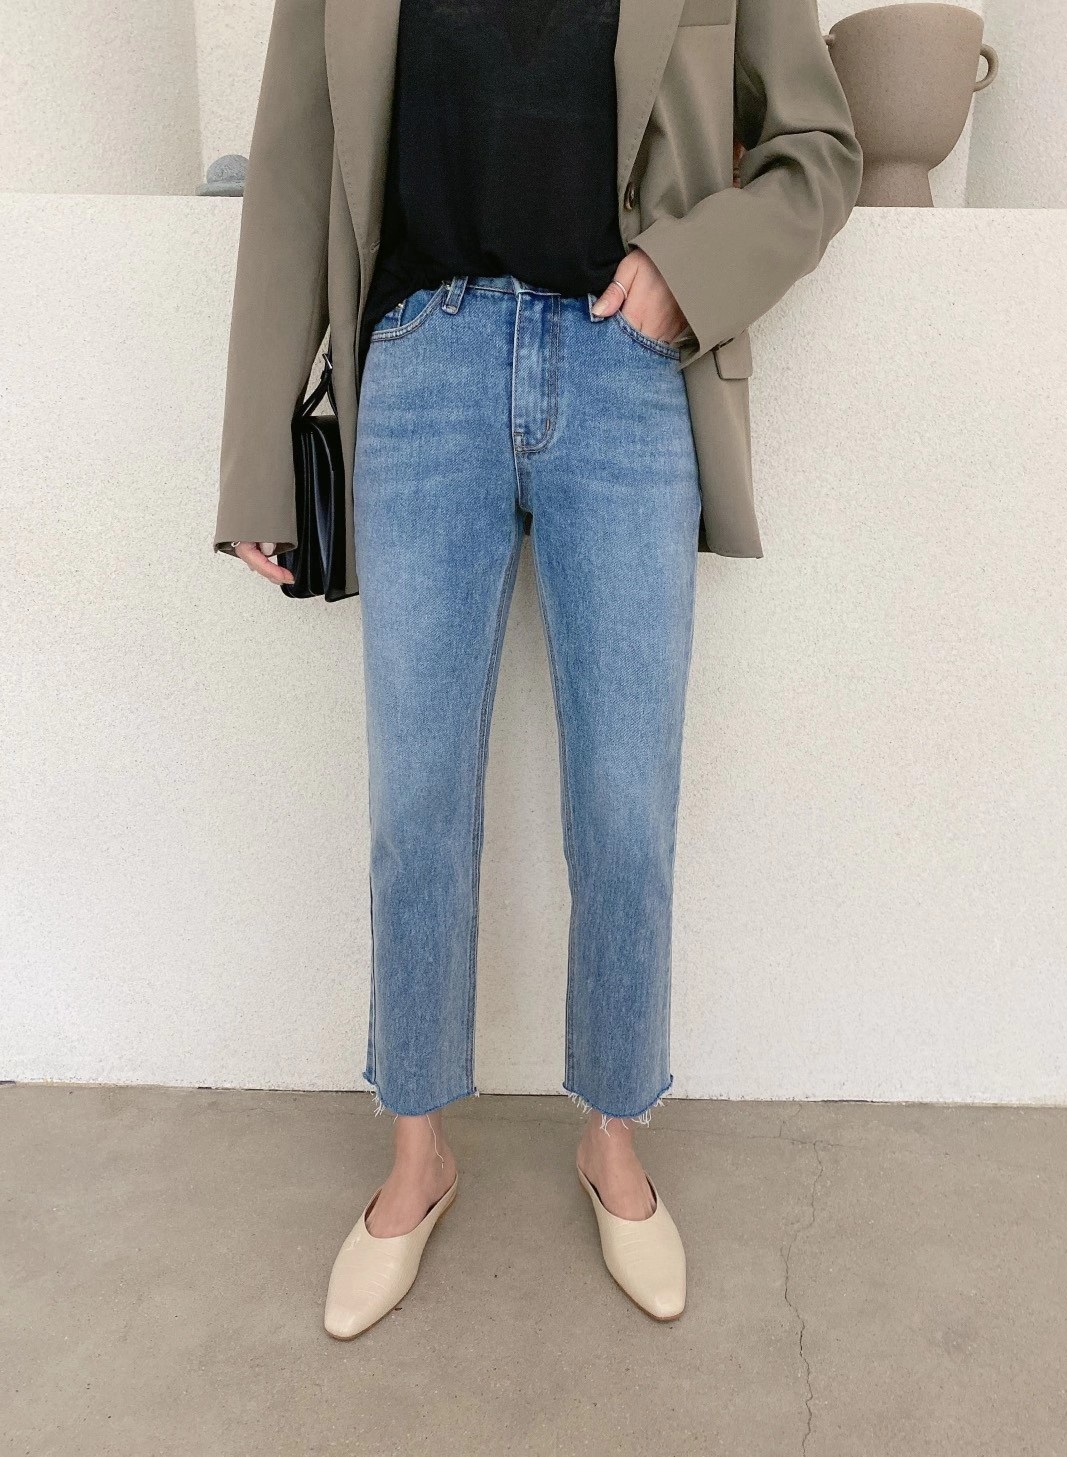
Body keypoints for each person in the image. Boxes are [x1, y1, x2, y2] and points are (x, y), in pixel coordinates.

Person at [213, 0, 862, 1337]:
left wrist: (689, 270)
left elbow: (819, 148)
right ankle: (417, 1158)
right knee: (414, 803)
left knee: (626, 804)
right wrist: (255, 459)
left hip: (624, 364)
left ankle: (613, 1139)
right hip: (420, 364)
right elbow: (291, 168)